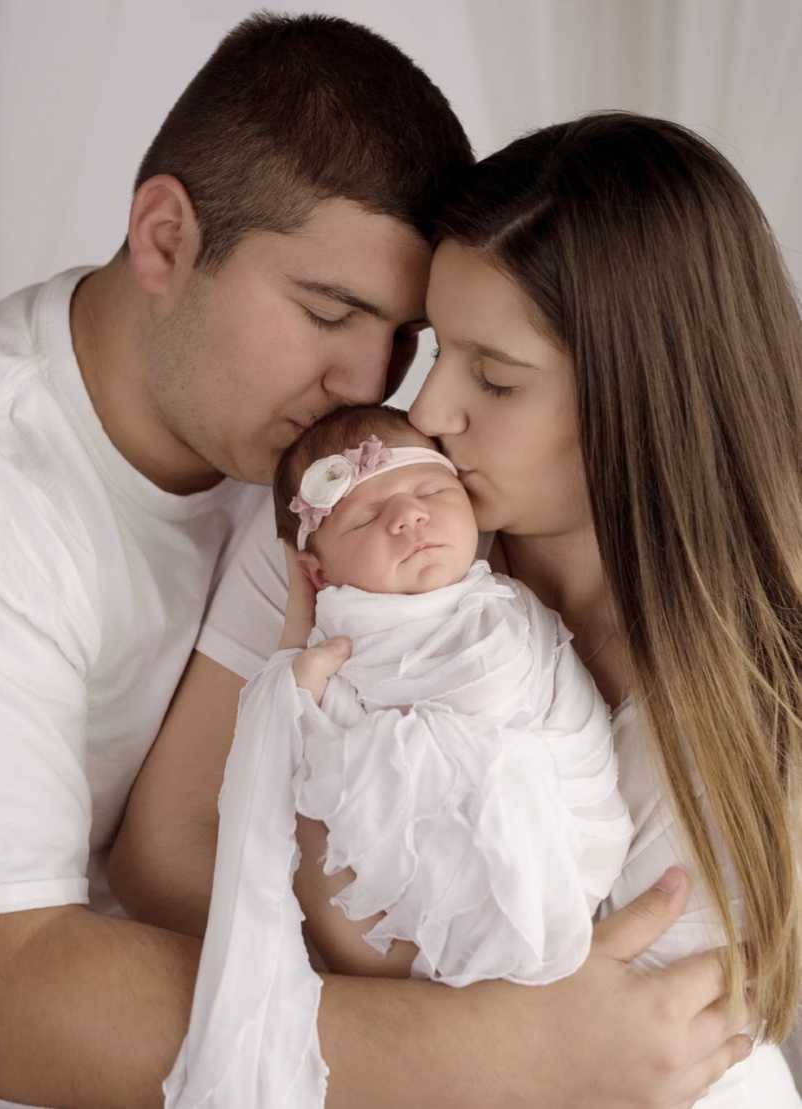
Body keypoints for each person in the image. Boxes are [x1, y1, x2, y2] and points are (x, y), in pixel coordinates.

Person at [0, 3, 749, 1102]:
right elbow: (13, 1001)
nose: (381, 391)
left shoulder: (368, 490)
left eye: (402, 337)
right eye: (327, 312)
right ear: (165, 238)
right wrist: (503, 1044)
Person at [112, 112, 801, 1107]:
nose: (428, 412)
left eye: (495, 375)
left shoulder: (742, 704)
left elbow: (653, 1058)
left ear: (640, 399)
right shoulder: (352, 530)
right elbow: (164, 850)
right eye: (437, 348)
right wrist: (479, 1030)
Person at [163, 403, 635, 1107]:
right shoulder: (340, 640)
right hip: (409, 925)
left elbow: (528, 698)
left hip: (565, 848)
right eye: (365, 518)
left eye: (432, 494)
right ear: (317, 573)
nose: (408, 519)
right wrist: (309, 684)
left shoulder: (504, 610)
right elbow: (308, 755)